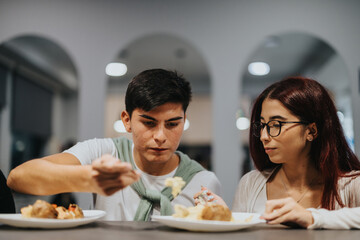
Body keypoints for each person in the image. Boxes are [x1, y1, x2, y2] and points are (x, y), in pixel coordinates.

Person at [7, 69, 221, 220]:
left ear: (184, 120)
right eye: (149, 122)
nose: (160, 136)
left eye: (173, 124)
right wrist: (87, 178)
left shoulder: (203, 182)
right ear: (127, 120)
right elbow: (18, 178)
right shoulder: (103, 153)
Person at [196, 76, 360, 229]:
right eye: (262, 125)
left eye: (276, 124)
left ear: (311, 131)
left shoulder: (350, 185)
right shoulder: (251, 184)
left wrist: (312, 217)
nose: (263, 136)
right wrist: (227, 221)